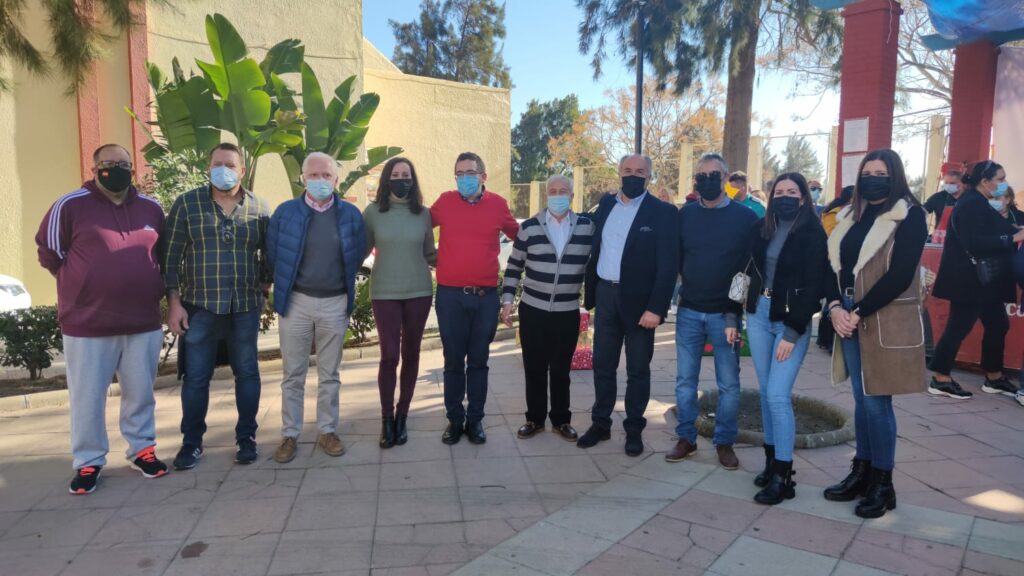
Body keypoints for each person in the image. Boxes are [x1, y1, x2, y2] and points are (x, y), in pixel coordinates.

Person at [36, 143, 168, 494]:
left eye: (124, 164)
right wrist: (81, 284)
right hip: (88, 324)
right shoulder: (70, 205)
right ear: (95, 169)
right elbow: (50, 254)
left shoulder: (152, 208)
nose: (116, 169)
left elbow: (164, 255)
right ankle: (89, 460)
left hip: (143, 320)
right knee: (88, 396)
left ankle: (142, 449)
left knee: (140, 393)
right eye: (108, 164)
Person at [824, 148, 928, 519]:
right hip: (848, 312)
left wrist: (857, 311)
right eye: (866, 171)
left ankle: (883, 483)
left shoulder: (910, 216)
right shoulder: (851, 214)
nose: (872, 177)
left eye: (880, 171)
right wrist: (836, 306)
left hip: (880, 315)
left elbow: (900, 275)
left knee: (876, 401)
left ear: (894, 175)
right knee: (861, 397)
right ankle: (862, 470)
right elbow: (833, 265)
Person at [164, 142, 271, 470]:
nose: (223, 170)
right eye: (217, 164)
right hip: (200, 307)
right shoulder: (187, 204)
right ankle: (191, 443)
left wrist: (263, 291)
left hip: (244, 307)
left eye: (230, 165)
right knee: (196, 378)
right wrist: (174, 304)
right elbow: (170, 259)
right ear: (208, 168)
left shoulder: (259, 207)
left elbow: (268, 256)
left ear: (241, 170)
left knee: (248, 373)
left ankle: (246, 438)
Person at [266, 152, 366, 463]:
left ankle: (327, 430)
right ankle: (290, 434)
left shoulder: (350, 215)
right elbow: (273, 256)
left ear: (336, 180)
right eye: (314, 175)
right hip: (296, 302)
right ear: (303, 179)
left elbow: (358, 254)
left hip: (335, 302)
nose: (320, 181)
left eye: (326, 176)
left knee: (329, 373)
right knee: (293, 373)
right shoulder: (285, 213)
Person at [580, 154, 678, 456]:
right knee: (603, 366)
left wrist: (657, 308)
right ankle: (601, 423)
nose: (633, 176)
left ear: (650, 176)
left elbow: (668, 266)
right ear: (619, 173)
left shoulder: (663, 212)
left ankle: (634, 428)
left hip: (641, 305)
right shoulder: (607, 205)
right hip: (606, 298)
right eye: (627, 171)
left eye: (640, 171)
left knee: (638, 369)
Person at [738, 172, 828, 504]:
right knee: (765, 393)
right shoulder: (761, 229)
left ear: (804, 198)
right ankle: (771, 461)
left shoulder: (813, 233)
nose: (785, 197)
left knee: (777, 395)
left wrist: (794, 330)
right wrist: (736, 313)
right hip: (758, 313)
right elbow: (746, 270)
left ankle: (784, 476)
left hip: (790, 321)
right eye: (780, 191)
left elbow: (814, 286)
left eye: (793, 192)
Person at [669, 153, 758, 468]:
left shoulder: (745, 219)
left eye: (713, 175)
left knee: (729, 383)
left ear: (725, 178)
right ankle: (686, 439)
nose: (707, 180)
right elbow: (677, 258)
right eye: (701, 175)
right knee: (684, 381)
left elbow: (747, 269)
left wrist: (734, 310)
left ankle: (724, 441)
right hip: (690, 310)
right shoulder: (685, 215)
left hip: (725, 316)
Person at [431, 152, 519, 445]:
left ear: (483, 176)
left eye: (470, 172)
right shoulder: (444, 202)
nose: (464, 178)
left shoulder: (498, 205)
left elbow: (521, 235)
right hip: (450, 297)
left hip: (485, 299)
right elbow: (415, 229)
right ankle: (455, 420)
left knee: (479, 362)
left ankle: (476, 420)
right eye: (459, 173)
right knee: (453, 361)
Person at [501, 175, 595, 442]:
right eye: (553, 191)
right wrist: (508, 301)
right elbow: (514, 267)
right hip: (533, 309)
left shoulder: (587, 228)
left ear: (573, 196)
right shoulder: (529, 227)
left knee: (561, 369)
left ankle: (561, 420)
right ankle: (534, 419)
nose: (558, 195)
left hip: (566, 310)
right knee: (534, 367)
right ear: (546, 196)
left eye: (563, 191)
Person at [928, 161, 1024, 400]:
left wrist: (1013, 229)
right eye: (1000, 179)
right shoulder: (972, 203)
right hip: (969, 280)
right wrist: (1013, 237)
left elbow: (994, 229)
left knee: (998, 325)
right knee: (958, 327)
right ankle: (940, 378)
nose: (1003, 184)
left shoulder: (979, 202)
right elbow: (976, 242)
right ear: (985, 181)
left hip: (985, 281)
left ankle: (993, 376)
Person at [363, 157, 436, 448]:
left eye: (406, 174)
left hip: (418, 290)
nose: (401, 179)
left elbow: (430, 253)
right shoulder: (372, 213)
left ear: (413, 179)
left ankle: (403, 415)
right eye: (396, 174)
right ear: (386, 179)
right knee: (389, 356)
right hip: (384, 292)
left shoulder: (424, 214)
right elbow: (361, 250)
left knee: (412, 354)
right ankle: (386, 419)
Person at [817, 185, 855, 353]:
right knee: (831, 306)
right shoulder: (833, 214)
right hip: (832, 262)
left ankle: (826, 340)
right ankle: (827, 340)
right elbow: (833, 238)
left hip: (839, 263)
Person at [923, 166, 964, 230]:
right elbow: (922, 211)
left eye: (952, 183)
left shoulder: (969, 199)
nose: (949, 185)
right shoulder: (938, 197)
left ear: (961, 183)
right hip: (940, 238)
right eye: (946, 183)